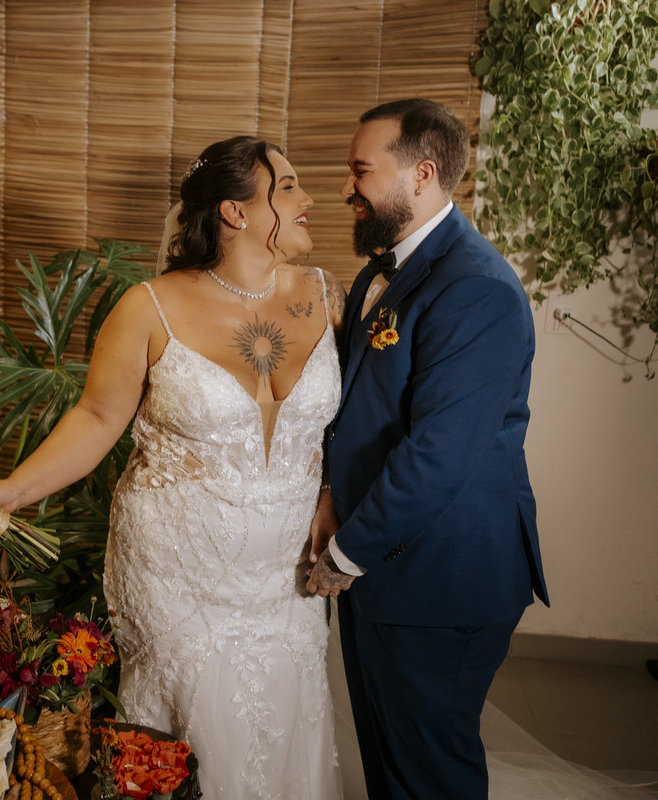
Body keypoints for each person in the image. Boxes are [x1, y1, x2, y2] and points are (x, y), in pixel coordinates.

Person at [0, 135, 346, 798]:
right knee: (194, 738)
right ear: (235, 212)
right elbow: (95, 419)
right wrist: (13, 489)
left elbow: (347, 422)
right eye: (286, 188)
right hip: (181, 576)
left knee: (286, 719)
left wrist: (333, 493)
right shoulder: (148, 307)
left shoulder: (326, 295)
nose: (308, 200)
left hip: (284, 576)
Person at [305, 98, 549, 799]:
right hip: (387, 565)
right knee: (391, 764)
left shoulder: (477, 289)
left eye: (361, 171)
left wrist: (347, 552)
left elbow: (439, 453)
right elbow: (357, 410)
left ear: (423, 175)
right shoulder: (385, 273)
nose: (346, 188)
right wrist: (328, 494)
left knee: (429, 777)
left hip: (440, 575)